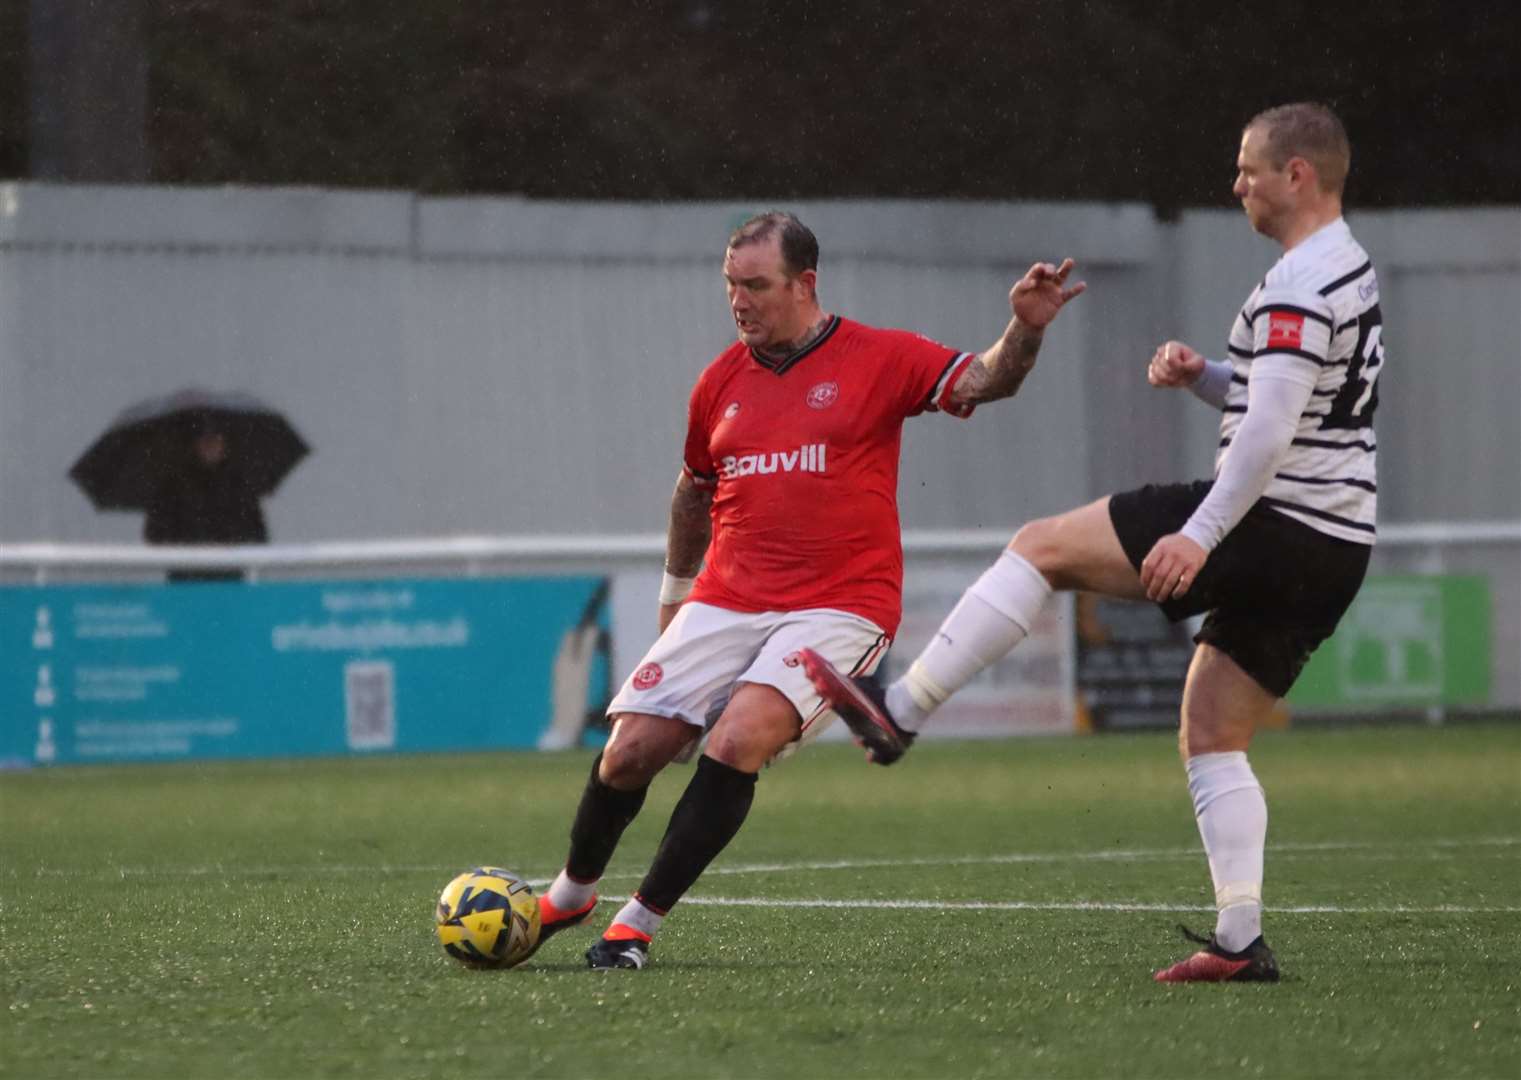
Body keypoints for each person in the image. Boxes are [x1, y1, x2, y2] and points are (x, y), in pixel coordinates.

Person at [801, 102, 1382, 983]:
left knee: (1039, 547)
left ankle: (900, 710)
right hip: (1336, 546)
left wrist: (1197, 534)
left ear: (1295, 174)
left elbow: (1267, 437)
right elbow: (1296, 398)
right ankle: (1239, 940)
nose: (1236, 186)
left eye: (1247, 169)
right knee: (1213, 732)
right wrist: (1206, 378)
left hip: (1275, 520)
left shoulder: (1302, 279)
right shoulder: (1348, 268)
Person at [533, 211, 1085, 970]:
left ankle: (635, 924)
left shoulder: (881, 357)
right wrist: (674, 599)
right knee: (630, 752)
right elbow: (692, 494)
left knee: (735, 741)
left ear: (805, 283)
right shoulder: (718, 382)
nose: (740, 301)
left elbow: (989, 380)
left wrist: (1024, 329)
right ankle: (569, 893)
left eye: (756, 285)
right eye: (730, 285)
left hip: (840, 603)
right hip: (727, 595)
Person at [144, 417, 269, 581]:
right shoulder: (174, 485)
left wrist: (230, 544)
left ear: (225, 444)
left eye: (216, 438)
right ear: (195, 443)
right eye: (204, 438)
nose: (210, 444)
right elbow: (155, 533)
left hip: (229, 579)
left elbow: (258, 534)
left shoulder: (239, 487)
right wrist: (189, 546)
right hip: (185, 579)